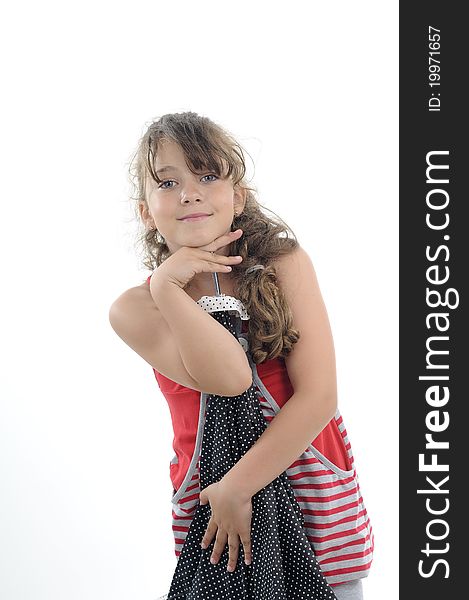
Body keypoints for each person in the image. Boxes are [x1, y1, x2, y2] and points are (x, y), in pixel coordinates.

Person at [109, 111, 374, 600]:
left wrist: (240, 487)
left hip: (304, 478)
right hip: (214, 498)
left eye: (208, 175)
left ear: (239, 196)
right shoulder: (138, 307)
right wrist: (170, 285)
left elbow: (319, 396)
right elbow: (229, 376)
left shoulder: (283, 263)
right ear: (146, 211)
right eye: (168, 182)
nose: (189, 192)